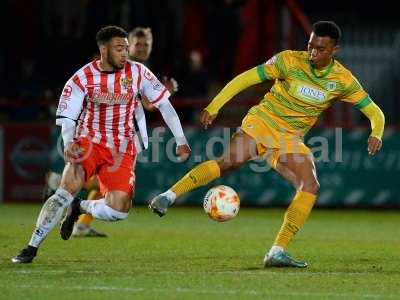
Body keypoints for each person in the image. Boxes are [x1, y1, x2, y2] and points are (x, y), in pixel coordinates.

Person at [148, 21, 385, 268]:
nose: (313, 53)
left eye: (321, 49)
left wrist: (376, 133)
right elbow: (246, 79)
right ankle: (167, 196)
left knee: (309, 185)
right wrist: (216, 105)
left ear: (334, 50)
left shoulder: (343, 80)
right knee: (229, 163)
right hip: (262, 122)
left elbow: (375, 112)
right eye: (310, 46)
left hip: (289, 138)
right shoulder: (289, 61)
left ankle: (276, 251)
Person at [12, 25, 191, 264]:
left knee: (118, 211)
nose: (125, 53)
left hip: (122, 148)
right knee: (65, 191)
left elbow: (164, 106)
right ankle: (31, 247)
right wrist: (69, 142)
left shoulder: (138, 72)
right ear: (103, 49)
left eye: (126, 48)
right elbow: (67, 117)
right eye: (119, 48)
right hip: (89, 142)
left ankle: (80, 207)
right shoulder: (82, 78)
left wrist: (180, 140)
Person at [70, 26, 180, 237]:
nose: (142, 48)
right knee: (113, 180)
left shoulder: (141, 68)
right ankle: (66, 191)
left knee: (111, 179)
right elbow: (148, 105)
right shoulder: (125, 67)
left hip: (126, 132)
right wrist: (168, 93)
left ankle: (82, 222)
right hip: (111, 133)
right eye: (138, 44)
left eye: (146, 44)